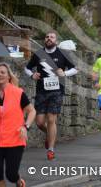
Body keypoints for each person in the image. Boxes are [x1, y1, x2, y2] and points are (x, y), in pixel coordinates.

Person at [24, 31, 78, 160]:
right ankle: (50, 135)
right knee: (39, 122)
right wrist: (32, 75)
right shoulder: (38, 53)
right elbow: (27, 68)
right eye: (47, 37)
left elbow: (75, 68)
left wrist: (64, 74)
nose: (49, 39)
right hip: (41, 91)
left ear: (56, 41)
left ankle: (51, 149)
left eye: (52, 37)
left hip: (56, 91)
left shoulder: (62, 53)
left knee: (51, 119)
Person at [0, 62, 36, 187]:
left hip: (15, 139)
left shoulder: (18, 93)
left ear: (9, 76)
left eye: (2, 72)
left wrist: (26, 126)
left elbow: (32, 111)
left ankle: (19, 182)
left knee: (11, 174)